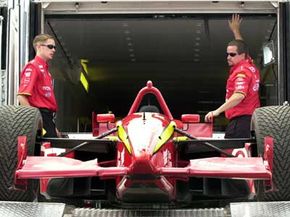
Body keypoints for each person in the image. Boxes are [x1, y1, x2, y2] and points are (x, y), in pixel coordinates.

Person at [205, 14, 260, 138]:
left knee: (230, 155)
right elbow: (242, 46)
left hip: (240, 123)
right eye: (227, 54)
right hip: (250, 120)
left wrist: (217, 111)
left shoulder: (242, 72)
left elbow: (239, 95)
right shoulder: (250, 64)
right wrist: (236, 30)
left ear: (242, 55)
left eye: (232, 54)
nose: (228, 57)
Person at [17, 33, 60, 137]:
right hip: (39, 116)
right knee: (46, 151)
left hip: (48, 118)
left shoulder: (46, 71)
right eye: (50, 46)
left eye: (54, 47)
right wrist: (35, 121)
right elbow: (21, 96)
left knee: (55, 149)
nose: (53, 50)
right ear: (39, 47)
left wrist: (54, 128)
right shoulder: (33, 66)